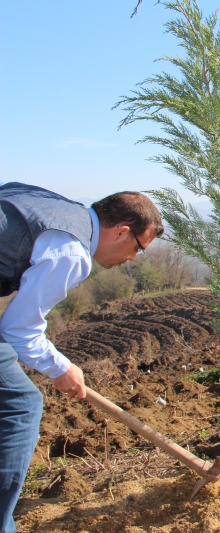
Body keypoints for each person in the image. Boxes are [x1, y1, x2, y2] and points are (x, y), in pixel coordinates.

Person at [0, 182, 163, 533]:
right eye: (138, 248)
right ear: (121, 232)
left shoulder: (55, 207)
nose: (133, 258)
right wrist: (61, 368)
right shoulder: (71, 252)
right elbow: (16, 330)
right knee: (20, 404)